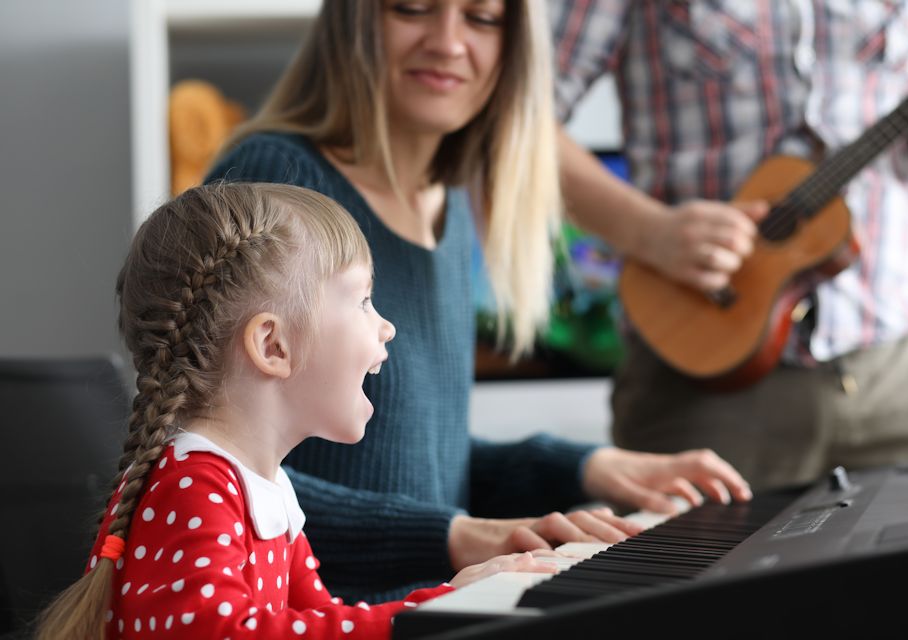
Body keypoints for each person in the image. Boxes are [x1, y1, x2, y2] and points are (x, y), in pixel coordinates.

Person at [205, 0, 753, 604]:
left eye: (483, 19)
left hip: (424, 611)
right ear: (353, 22)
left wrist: (587, 468)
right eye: (413, 9)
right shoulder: (277, 181)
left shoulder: (450, 202)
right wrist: (453, 535)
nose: (448, 42)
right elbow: (208, 473)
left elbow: (411, 460)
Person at [33, 183, 562, 640]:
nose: (386, 327)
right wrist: (432, 611)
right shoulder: (195, 484)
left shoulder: (261, 488)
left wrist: (450, 599)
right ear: (273, 345)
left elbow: (322, 620)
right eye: (362, 301)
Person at [549, 0, 908, 492]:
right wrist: (650, 231)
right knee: (688, 569)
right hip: (702, 374)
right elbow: (514, 121)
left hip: (903, 376)